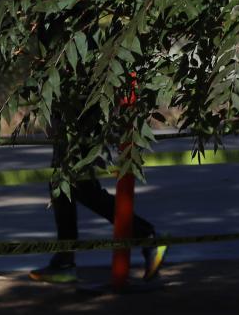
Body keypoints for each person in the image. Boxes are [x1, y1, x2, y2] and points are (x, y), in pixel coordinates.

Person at [29, 100, 166, 284]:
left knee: (78, 187)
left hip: (78, 114)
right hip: (72, 114)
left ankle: (147, 237)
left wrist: (56, 116)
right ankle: (64, 261)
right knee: (64, 187)